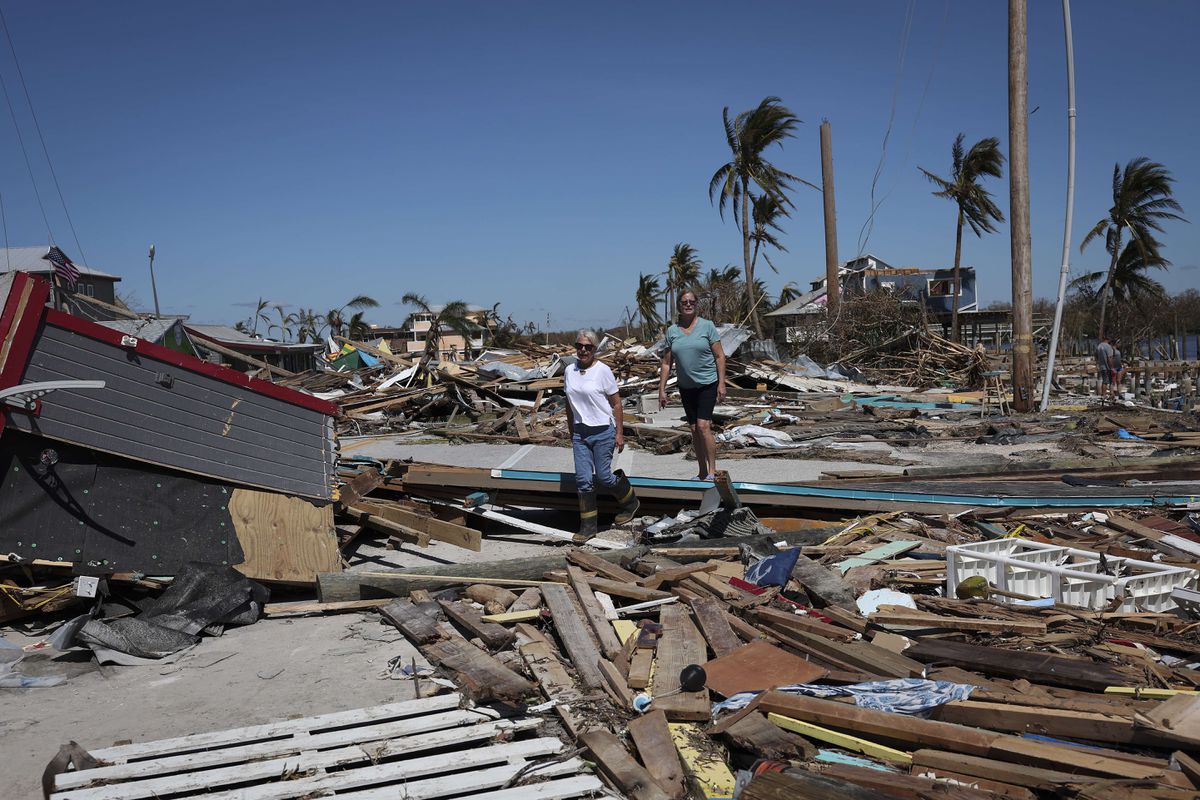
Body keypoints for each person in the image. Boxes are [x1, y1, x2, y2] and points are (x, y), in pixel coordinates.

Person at [564, 329, 640, 540]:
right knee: (583, 480)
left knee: (605, 477)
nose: (583, 350)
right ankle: (588, 528)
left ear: (594, 349)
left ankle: (631, 502)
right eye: (579, 346)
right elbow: (568, 403)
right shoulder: (569, 370)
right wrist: (572, 430)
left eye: (588, 347)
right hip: (581, 433)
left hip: (602, 431)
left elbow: (616, 403)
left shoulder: (603, 370)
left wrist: (619, 433)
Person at [657, 289, 727, 481]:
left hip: (707, 383)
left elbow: (720, 356)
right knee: (694, 429)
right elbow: (666, 363)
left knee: (704, 426)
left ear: (696, 304)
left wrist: (722, 383)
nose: (688, 305)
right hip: (686, 387)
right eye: (684, 302)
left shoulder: (707, 326)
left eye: (692, 302)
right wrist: (662, 390)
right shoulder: (672, 331)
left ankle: (712, 471)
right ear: (679, 305)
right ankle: (702, 471)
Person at [1096, 334, 1116, 403]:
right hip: (1107, 367)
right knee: (1109, 381)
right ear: (1109, 340)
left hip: (1101, 366)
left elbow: (1096, 356)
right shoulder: (1108, 347)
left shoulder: (1099, 346)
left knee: (1104, 381)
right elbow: (1109, 358)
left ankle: (1105, 395)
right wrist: (1112, 367)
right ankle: (1109, 395)